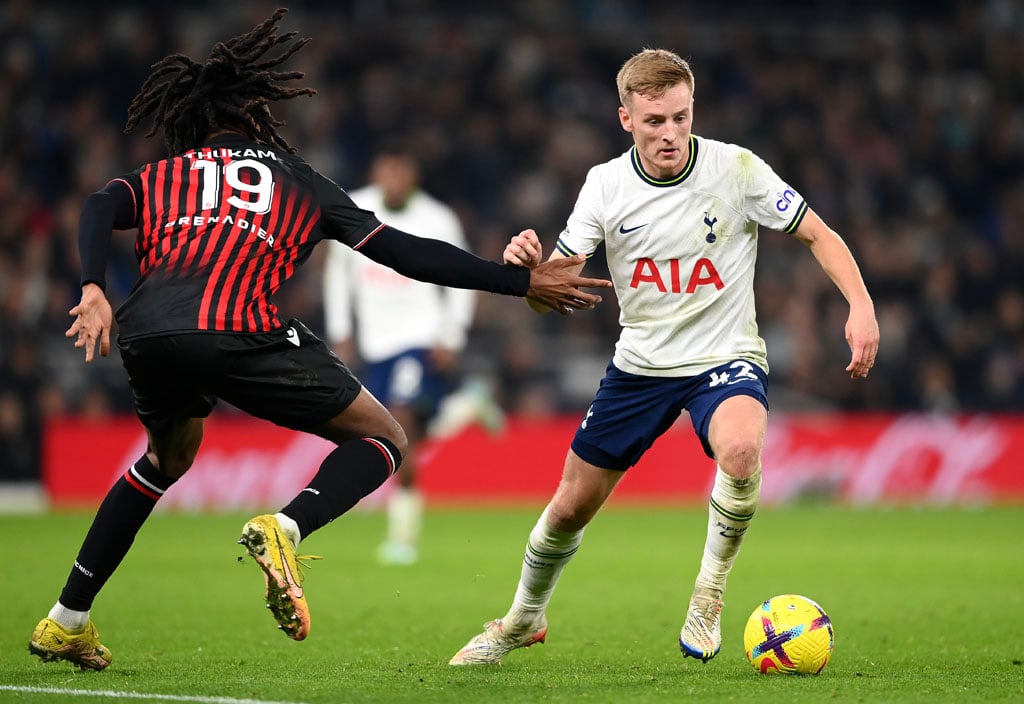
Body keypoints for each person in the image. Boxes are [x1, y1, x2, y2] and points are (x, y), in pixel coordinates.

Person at [28, 9, 611, 672]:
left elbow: (100, 202)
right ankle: (287, 526)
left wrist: (92, 286)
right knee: (386, 439)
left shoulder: (169, 174)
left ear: (195, 121)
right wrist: (517, 282)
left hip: (148, 331)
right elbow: (408, 254)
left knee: (164, 462)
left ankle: (66, 619)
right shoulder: (297, 180)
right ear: (258, 119)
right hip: (239, 327)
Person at [449, 48, 879, 666]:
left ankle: (708, 597)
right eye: (655, 122)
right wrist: (528, 274)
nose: (671, 133)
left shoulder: (735, 169)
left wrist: (860, 307)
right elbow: (555, 295)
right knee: (570, 506)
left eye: (680, 117)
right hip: (641, 367)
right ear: (626, 118)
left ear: (692, 108)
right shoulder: (604, 184)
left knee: (740, 449)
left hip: (724, 357)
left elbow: (819, 232)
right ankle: (522, 618)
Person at [323, 146, 502, 565]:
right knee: (401, 435)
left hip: (420, 337)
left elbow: (462, 274)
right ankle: (465, 406)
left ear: (412, 177)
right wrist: (341, 332)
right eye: (386, 173)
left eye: (401, 173)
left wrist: (451, 336)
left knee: (398, 428)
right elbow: (337, 274)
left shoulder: (436, 219)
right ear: (376, 174)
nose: (393, 181)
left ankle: (402, 538)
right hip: (375, 343)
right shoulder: (355, 207)